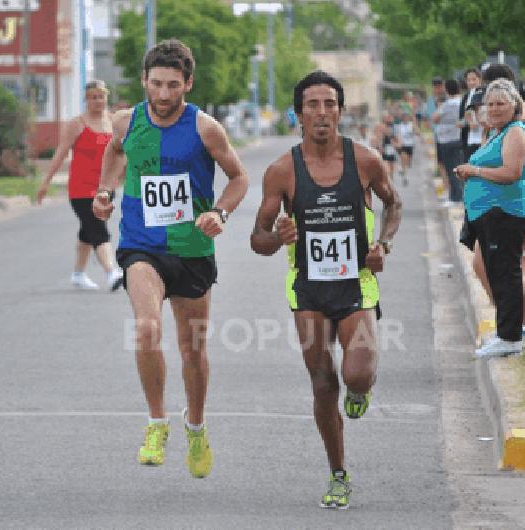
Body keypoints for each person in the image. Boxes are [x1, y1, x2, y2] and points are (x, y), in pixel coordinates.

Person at [91, 40, 249, 478]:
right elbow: (115, 154)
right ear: (144, 80)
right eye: (156, 84)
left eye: (172, 86)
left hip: (193, 249)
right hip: (141, 244)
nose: (162, 95)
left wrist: (220, 212)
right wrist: (106, 191)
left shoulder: (206, 128)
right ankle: (156, 423)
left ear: (188, 84)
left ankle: (195, 426)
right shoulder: (125, 122)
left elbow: (238, 177)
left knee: (192, 350)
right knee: (146, 328)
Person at [251, 70, 402, 509]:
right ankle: (338, 473)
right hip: (309, 291)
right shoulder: (282, 171)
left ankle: (360, 390)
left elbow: (393, 202)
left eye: (330, 104)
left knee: (356, 375)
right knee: (321, 383)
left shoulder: (365, 160)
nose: (322, 113)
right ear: (298, 114)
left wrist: (384, 244)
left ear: (340, 111)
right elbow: (257, 241)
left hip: (356, 282)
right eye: (312, 105)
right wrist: (277, 237)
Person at [455, 79, 525, 357]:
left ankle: (511, 337)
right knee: (497, 273)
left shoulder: (515, 132)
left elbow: (512, 172)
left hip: (505, 214)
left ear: (515, 105)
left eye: (501, 103)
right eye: (490, 104)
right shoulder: (498, 133)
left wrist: (474, 172)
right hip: (489, 215)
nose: (495, 108)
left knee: (505, 274)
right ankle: (505, 332)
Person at [37, 80, 124, 291]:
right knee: (98, 229)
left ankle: (78, 274)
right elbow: (60, 154)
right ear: (86, 99)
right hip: (81, 190)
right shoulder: (76, 124)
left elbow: (122, 154)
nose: (98, 101)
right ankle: (112, 272)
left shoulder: (114, 122)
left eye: (101, 96)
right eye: (93, 97)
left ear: (106, 97)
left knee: (89, 230)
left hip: (105, 187)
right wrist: (45, 182)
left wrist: (117, 179)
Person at [432, 79, 464, 205]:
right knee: (456, 167)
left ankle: (455, 198)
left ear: (447, 89)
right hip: (458, 138)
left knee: (452, 169)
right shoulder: (462, 101)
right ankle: (456, 196)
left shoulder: (448, 104)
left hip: (447, 139)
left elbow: (435, 118)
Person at [460, 68, 484, 162]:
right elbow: (462, 116)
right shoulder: (466, 96)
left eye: (474, 79)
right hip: (469, 138)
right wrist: (466, 123)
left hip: (483, 136)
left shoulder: (485, 93)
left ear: (480, 79)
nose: (471, 82)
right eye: (469, 80)